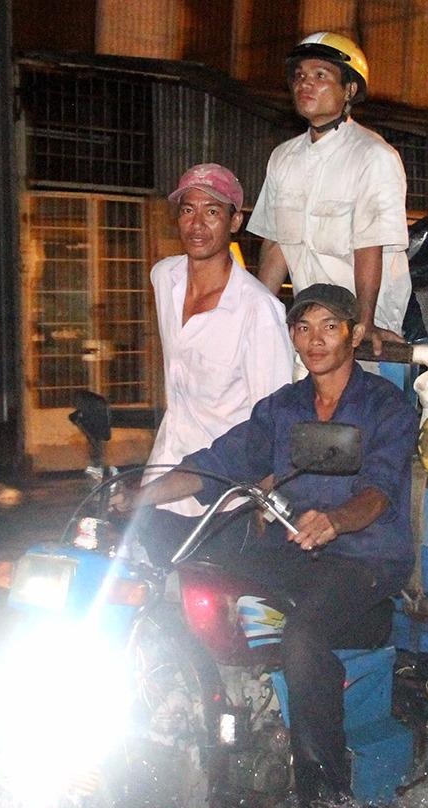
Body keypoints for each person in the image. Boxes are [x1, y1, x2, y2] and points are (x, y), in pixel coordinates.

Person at [121, 283, 417, 808]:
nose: (315, 339)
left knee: (303, 636)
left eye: (329, 326)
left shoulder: (386, 406)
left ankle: (326, 806)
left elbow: (379, 492)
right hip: (294, 550)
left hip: (365, 561)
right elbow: (216, 464)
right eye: (303, 328)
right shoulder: (283, 408)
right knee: (179, 563)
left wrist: (335, 520)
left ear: (353, 333)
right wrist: (138, 495)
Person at [145, 163, 294, 564]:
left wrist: (263, 503)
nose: (197, 224)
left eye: (212, 211)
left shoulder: (258, 310)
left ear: (235, 221)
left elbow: (272, 420)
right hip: (162, 480)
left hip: (225, 496)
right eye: (188, 210)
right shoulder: (164, 278)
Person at [247, 32, 410, 354]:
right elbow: (277, 243)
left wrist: (365, 323)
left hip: (363, 320)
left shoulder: (373, 155)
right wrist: (255, 315)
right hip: (311, 319)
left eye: (320, 75)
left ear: (349, 89)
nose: (305, 83)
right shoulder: (283, 157)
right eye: (299, 76)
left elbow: (370, 245)